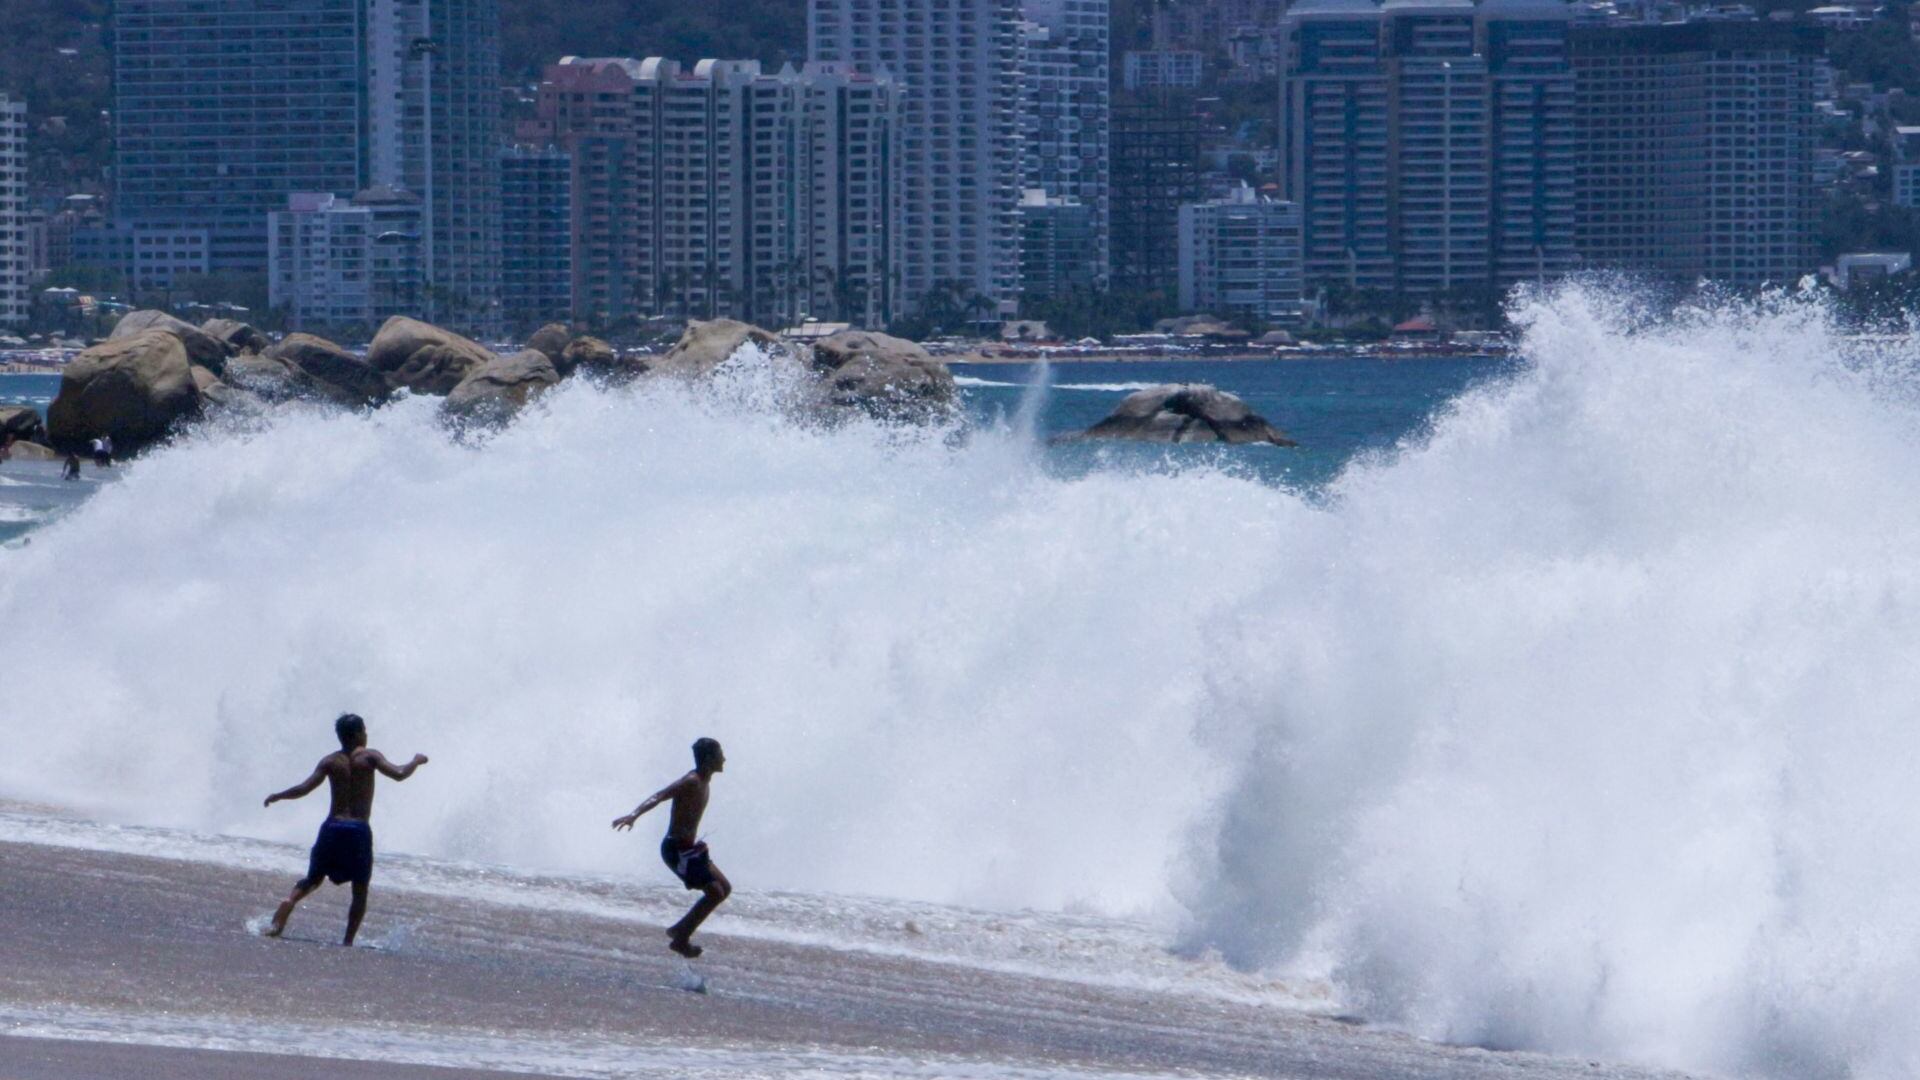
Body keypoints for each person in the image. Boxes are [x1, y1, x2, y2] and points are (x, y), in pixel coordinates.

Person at [261, 713, 428, 945]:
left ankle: (290, 900)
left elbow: (304, 788)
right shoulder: (370, 757)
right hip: (358, 829)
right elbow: (399, 774)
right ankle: (348, 940)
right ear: (358, 734)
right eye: (364, 731)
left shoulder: (330, 761)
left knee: (313, 878)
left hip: (332, 826)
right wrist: (416, 761)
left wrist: (279, 796)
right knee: (360, 887)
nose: (366, 735)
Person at [612, 737, 731, 958]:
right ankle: (680, 938)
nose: (724, 758)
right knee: (715, 892)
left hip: (690, 849)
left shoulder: (705, 781)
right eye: (720, 754)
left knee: (725, 887)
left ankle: (679, 930)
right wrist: (633, 815)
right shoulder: (692, 781)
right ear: (708, 758)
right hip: (676, 850)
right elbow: (659, 796)